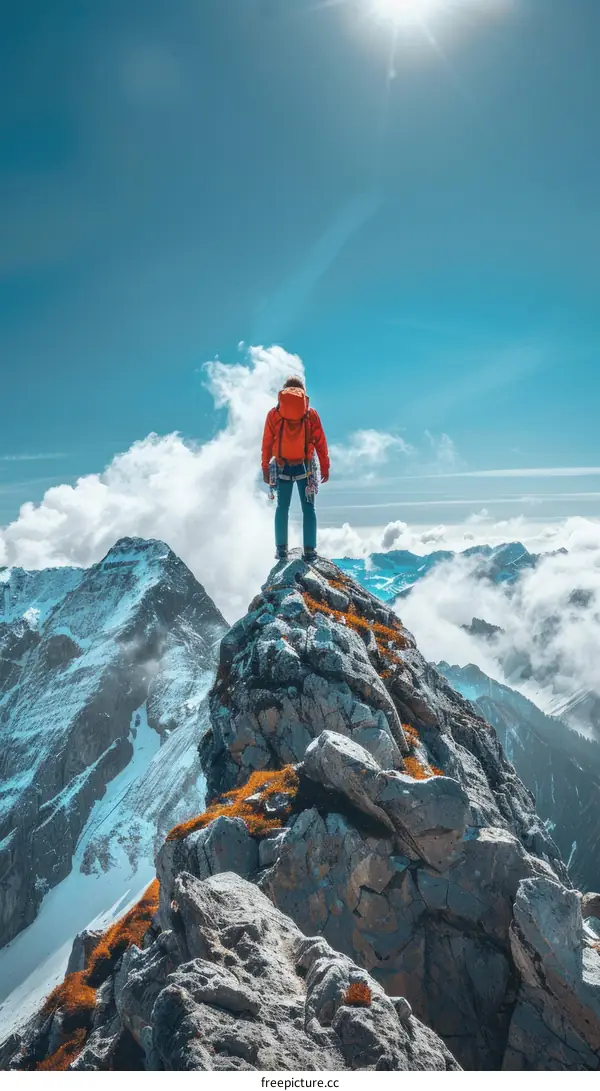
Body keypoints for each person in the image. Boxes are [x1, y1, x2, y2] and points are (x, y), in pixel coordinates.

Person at [261, 375, 329, 563]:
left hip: (281, 467)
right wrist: (325, 466)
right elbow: (320, 442)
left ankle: (281, 550)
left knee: (282, 507)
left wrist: (265, 467)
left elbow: (267, 443)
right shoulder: (311, 414)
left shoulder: (274, 414)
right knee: (309, 508)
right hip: (305, 468)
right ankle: (309, 551)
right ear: (303, 393)